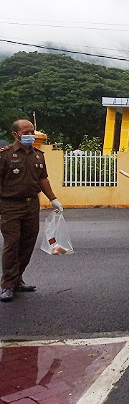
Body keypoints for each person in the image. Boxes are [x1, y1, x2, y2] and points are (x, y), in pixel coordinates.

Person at [0, 119, 63, 302]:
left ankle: (17, 279)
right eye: (26, 132)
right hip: (10, 205)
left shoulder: (38, 155)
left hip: (31, 205)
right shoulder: (5, 155)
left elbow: (43, 179)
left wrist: (53, 199)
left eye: (32, 131)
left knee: (27, 243)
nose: (30, 135)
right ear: (15, 135)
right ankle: (7, 285)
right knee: (12, 244)